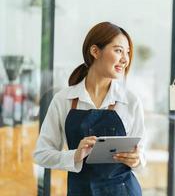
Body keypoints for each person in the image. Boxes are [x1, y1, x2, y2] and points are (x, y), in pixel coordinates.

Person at [34, 21, 146, 196]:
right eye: (118, 50)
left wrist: (137, 160)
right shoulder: (64, 99)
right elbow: (41, 154)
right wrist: (75, 155)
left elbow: (142, 156)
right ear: (95, 51)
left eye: (128, 53)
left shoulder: (130, 101)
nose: (125, 59)